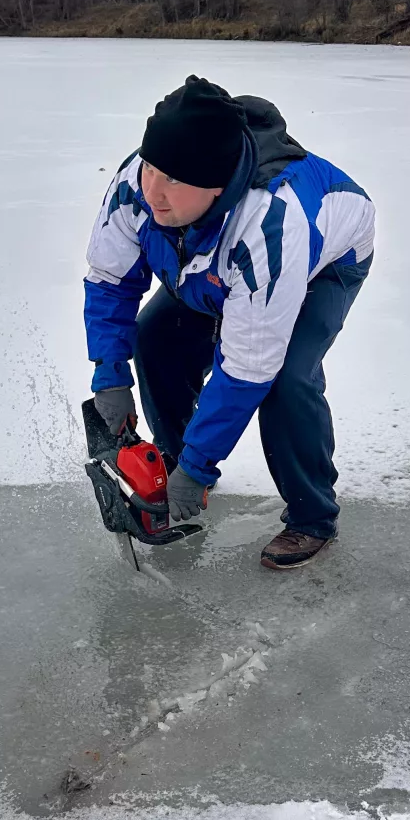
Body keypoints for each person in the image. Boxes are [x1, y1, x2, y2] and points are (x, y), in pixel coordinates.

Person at [84, 75, 374, 570]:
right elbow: (111, 278)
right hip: (209, 267)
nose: (154, 190)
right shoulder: (138, 184)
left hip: (322, 264)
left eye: (174, 180)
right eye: (152, 168)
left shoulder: (269, 223)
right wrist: (109, 372)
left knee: (284, 380)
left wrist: (202, 467)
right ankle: (176, 464)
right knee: (158, 338)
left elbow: (247, 367)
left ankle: (312, 516)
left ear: (216, 187)